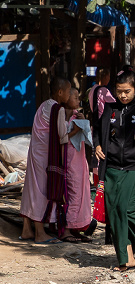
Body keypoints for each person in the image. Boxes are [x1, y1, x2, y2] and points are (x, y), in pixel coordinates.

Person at [94, 70, 135, 271]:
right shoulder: (109, 109)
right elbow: (97, 130)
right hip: (111, 167)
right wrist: (96, 145)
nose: (123, 95)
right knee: (114, 213)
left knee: (127, 209)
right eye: (119, 91)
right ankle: (126, 258)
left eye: (127, 91)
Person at [19, 77, 72, 244]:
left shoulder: (43, 105)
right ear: (60, 92)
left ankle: (27, 230)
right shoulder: (58, 109)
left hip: (34, 152)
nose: (70, 95)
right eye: (69, 92)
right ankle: (40, 232)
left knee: (30, 189)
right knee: (42, 191)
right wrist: (77, 129)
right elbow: (62, 137)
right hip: (45, 157)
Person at [60, 88, 93, 242]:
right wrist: (75, 130)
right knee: (73, 194)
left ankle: (77, 227)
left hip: (80, 161)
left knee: (82, 194)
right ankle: (66, 228)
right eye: (75, 97)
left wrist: (82, 120)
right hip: (69, 160)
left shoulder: (75, 115)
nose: (78, 100)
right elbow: (62, 137)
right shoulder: (60, 115)